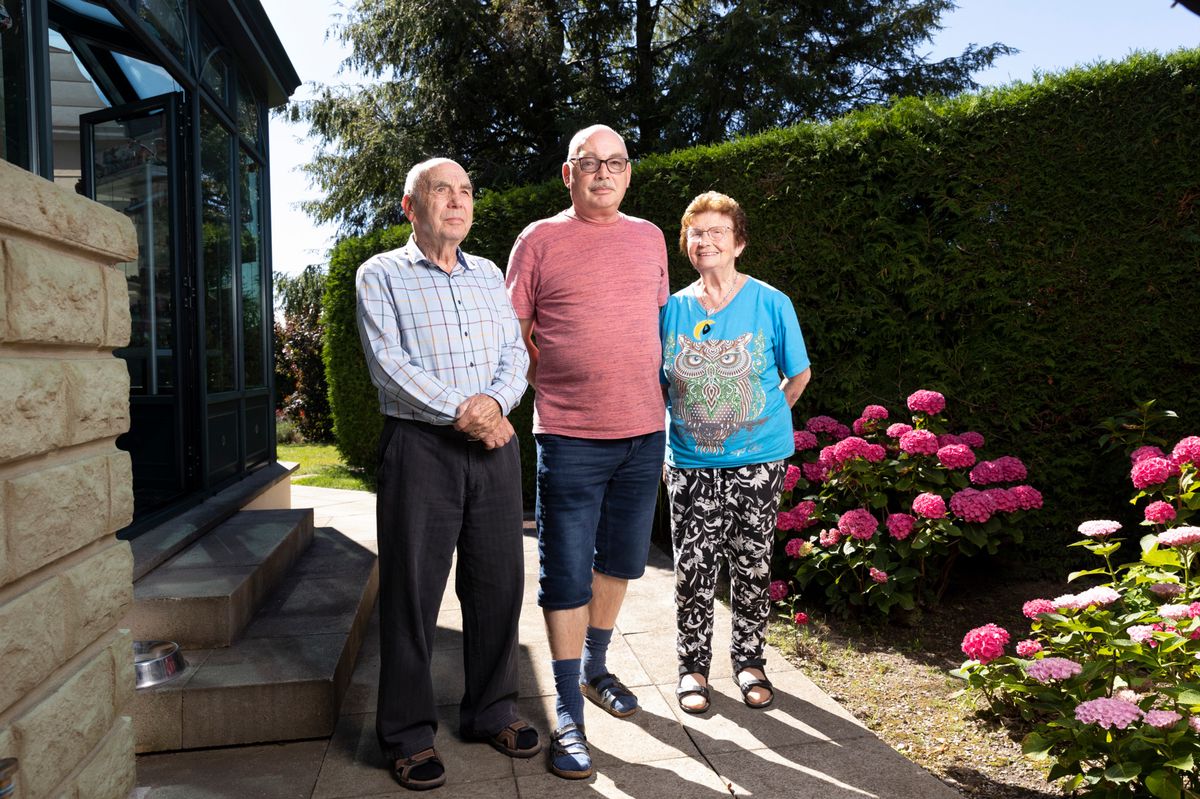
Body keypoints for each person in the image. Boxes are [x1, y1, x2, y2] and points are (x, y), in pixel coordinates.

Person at [356, 157, 539, 791]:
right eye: (442, 190)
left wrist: (495, 406)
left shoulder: (490, 275)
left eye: (466, 190)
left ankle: (490, 712)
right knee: (411, 594)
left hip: (496, 447)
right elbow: (388, 366)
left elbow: (515, 354)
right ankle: (407, 734)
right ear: (411, 206)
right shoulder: (380, 275)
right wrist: (468, 413)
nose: (457, 201)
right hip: (420, 449)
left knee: (497, 586)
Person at [505, 125, 669, 779]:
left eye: (616, 162)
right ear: (566, 173)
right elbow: (515, 334)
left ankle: (598, 664)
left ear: (628, 173)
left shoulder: (651, 236)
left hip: (642, 432)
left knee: (623, 561)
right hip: (569, 435)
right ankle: (567, 708)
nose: (604, 171)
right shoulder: (537, 240)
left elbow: (659, 325)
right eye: (589, 162)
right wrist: (553, 382)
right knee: (566, 572)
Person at [660, 191, 811, 714]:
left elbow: (799, 373)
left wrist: (764, 423)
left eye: (717, 231)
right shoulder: (672, 308)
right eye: (696, 233)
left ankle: (750, 662)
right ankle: (692, 670)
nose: (706, 240)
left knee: (751, 565)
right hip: (690, 463)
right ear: (687, 244)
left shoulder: (771, 302)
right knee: (693, 571)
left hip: (760, 462)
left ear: (739, 242)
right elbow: (657, 383)